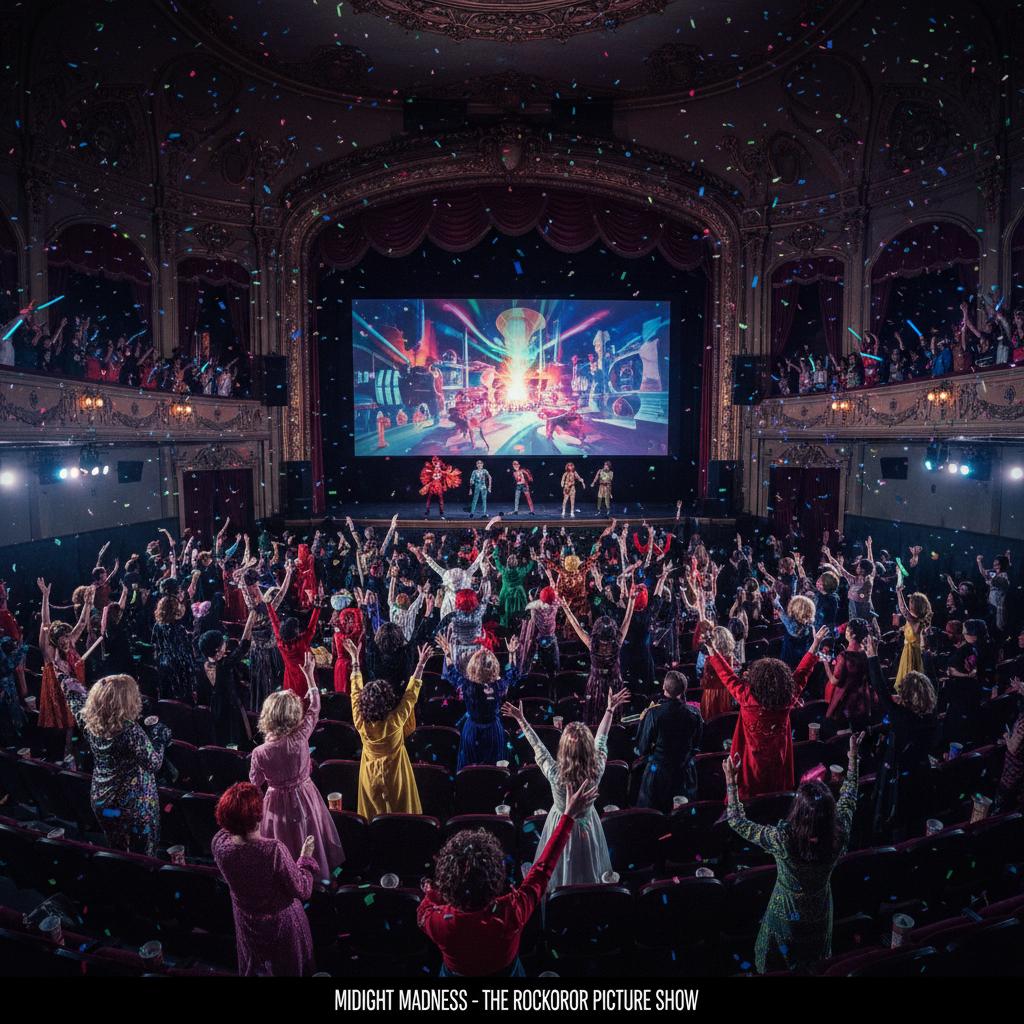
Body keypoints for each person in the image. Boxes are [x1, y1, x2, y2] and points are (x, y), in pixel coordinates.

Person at [417, 778, 597, 977]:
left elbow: (423, 910)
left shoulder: (436, 921)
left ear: (446, 883)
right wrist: (568, 816)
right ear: (496, 877)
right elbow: (543, 869)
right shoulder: (512, 911)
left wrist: (432, 894)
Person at [724, 732, 862, 973]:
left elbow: (736, 821)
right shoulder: (838, 835)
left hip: (785, 916)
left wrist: (731, 782)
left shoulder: (784, 840)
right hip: (820, 912)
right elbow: (849, 797)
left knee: (776, 964)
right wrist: (853, 759)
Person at [503, 687, 630, 887]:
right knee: (589, 863)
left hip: (560, 822)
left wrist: (521, 719)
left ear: (563, 749)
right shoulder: (597, 768)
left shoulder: (556, 775)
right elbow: (602, 737)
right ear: (589, 748)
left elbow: (538, 748)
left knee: (557, 862)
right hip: (588, 823)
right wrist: (610, 709)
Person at [703, 625, 828, 800]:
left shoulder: (746, 696)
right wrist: (815, 644)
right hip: (777, 756)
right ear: (785, 681)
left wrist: (711, 648)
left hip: (750, 759)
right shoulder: (789, 696)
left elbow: (726, 675)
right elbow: (803, 672)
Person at [250, 653, 344, 883]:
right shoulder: (300, 737)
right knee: (310, 835)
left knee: (283, 843)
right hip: (304, 796)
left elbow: (254, 784)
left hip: (275, 803)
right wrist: (310, 676)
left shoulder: (259, 752)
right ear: (293, 716)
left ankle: (290, 879)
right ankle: (315, 878)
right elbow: (315, 708)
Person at [59, 667, 171, 855]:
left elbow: (73, 696)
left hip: (104, 805)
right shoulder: (130, 731)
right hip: (134, 809)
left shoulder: (88, 720)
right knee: (144, 857)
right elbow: (154, 763)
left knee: (118, 849)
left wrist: (62, 676)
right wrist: (159, 739)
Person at [212, 782, 318, 977]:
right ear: (258, 815)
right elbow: (303, 889)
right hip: (281, 926)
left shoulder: (219, 844)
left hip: (247, 922)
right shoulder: (273, 851)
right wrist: (305, 858)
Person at [350, 639, 432, 817]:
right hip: (396, 774)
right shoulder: (395, 720)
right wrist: (420, 665)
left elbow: (355, 691)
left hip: (370, 774)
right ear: (388, 701)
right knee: (401, 811)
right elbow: (410, 695)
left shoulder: (360, 721)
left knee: (373, 813)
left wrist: (355, 661)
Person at [560, 584, 638, 728]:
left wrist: (566, 608)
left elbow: (577, 626)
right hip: (614, 683)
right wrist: (632, 601)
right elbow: (627, 620)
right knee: (613, 716)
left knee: (594, 716)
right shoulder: (617, 642)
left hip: (596, 684)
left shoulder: (592, 643)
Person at [437, 633, 518, 770]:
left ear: (473, 667)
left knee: (469, 766)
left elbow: (451, 672)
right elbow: (512, 674)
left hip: (472, 730)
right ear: (493, 667)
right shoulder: (499, 686)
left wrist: (448, 654)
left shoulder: (467, 686)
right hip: (493, 730)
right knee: (495, 767)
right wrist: (512, 653)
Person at [635, 669, 704, 810]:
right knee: (683, 816)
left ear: (664, 687)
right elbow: (697, 746)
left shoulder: (653, 713)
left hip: (658, 775)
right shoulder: (695, 713)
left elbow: (642, 748)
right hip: (685, 773)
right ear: (684, 690)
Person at [196, 612, 256, 748]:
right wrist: (252, 616)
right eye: (223, 643)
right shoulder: (225, 665)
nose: (225, 644)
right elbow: (244, 645)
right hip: (231, 713)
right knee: (235, 742)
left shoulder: (199, 666)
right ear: (218, 650)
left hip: (214, 713)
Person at [267, 601, 321, 697]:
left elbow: (274, 622)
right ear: (296, 631)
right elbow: (312, 626)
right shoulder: (302, 641)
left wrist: (268, 605)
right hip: (305, 677)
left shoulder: (280, 642)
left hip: (290, 678)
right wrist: (317, 609)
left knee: (291, 700)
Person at [895, 587, 931, 686]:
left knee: (910, 682)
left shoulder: (914, 620)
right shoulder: (919, 620)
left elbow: (902, 608)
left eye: (911, 602)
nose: (909, 604)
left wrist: (899, 592)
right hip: (912, 651)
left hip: (912, 653)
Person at [492, 549, 535, 628]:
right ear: (516, 563)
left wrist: (496, 550)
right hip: (518, 592)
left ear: (507, 563)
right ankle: (518, 624)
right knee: (519, 610)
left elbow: (497, 562)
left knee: (504, 610)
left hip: (505, 592)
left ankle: (505, 625)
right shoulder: (520, 571)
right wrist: (532, 559)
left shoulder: (504, 571)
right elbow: (529, 567)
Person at [419, 455, 460, 519]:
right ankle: (427, 511)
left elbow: (447, 474)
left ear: (440, 466)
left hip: (439, 487)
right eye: (436, 466)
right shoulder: (431, 471)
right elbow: (426, 473)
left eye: (438, 466)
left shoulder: (442, 472)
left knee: (440, 499)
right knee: (429, 499)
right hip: (432, 486)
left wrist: (445, 474)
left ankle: (441, 512)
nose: (437, 467)